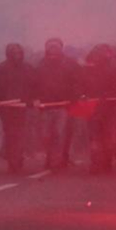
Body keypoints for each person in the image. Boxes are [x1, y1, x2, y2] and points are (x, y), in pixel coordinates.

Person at [34, 38, 82, 170]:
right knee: (46, 135)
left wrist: (73, 97)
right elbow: (35, 84)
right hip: (46, 106)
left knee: (59, 134)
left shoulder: (70, 64)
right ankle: (50, 157)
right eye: (50, 47)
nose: (53, 50)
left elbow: (77, 82)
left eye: (56, 47)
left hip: (63, 106)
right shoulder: (41, 64)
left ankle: (56, 161)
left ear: (61, 48)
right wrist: (36, 98)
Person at [84, 44, 116, 174]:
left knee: (104, 137)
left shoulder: (113, 70)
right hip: (94, 109)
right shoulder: (88, 70)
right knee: (96, 138)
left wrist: (109, 96)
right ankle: (98, 163)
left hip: (108, 109)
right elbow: (82, 85)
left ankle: (105, 163)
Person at [0, 43, 35, 173]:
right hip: (7, 107)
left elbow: (34, 85)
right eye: (14, 52)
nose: (17, 55)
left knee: (19, 134)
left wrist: (30, 100)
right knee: (10, 134)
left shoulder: (28, 68)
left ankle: (16, 159)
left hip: (23, 107)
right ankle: (13, 160)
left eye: (19, 52)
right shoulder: (1, 68)